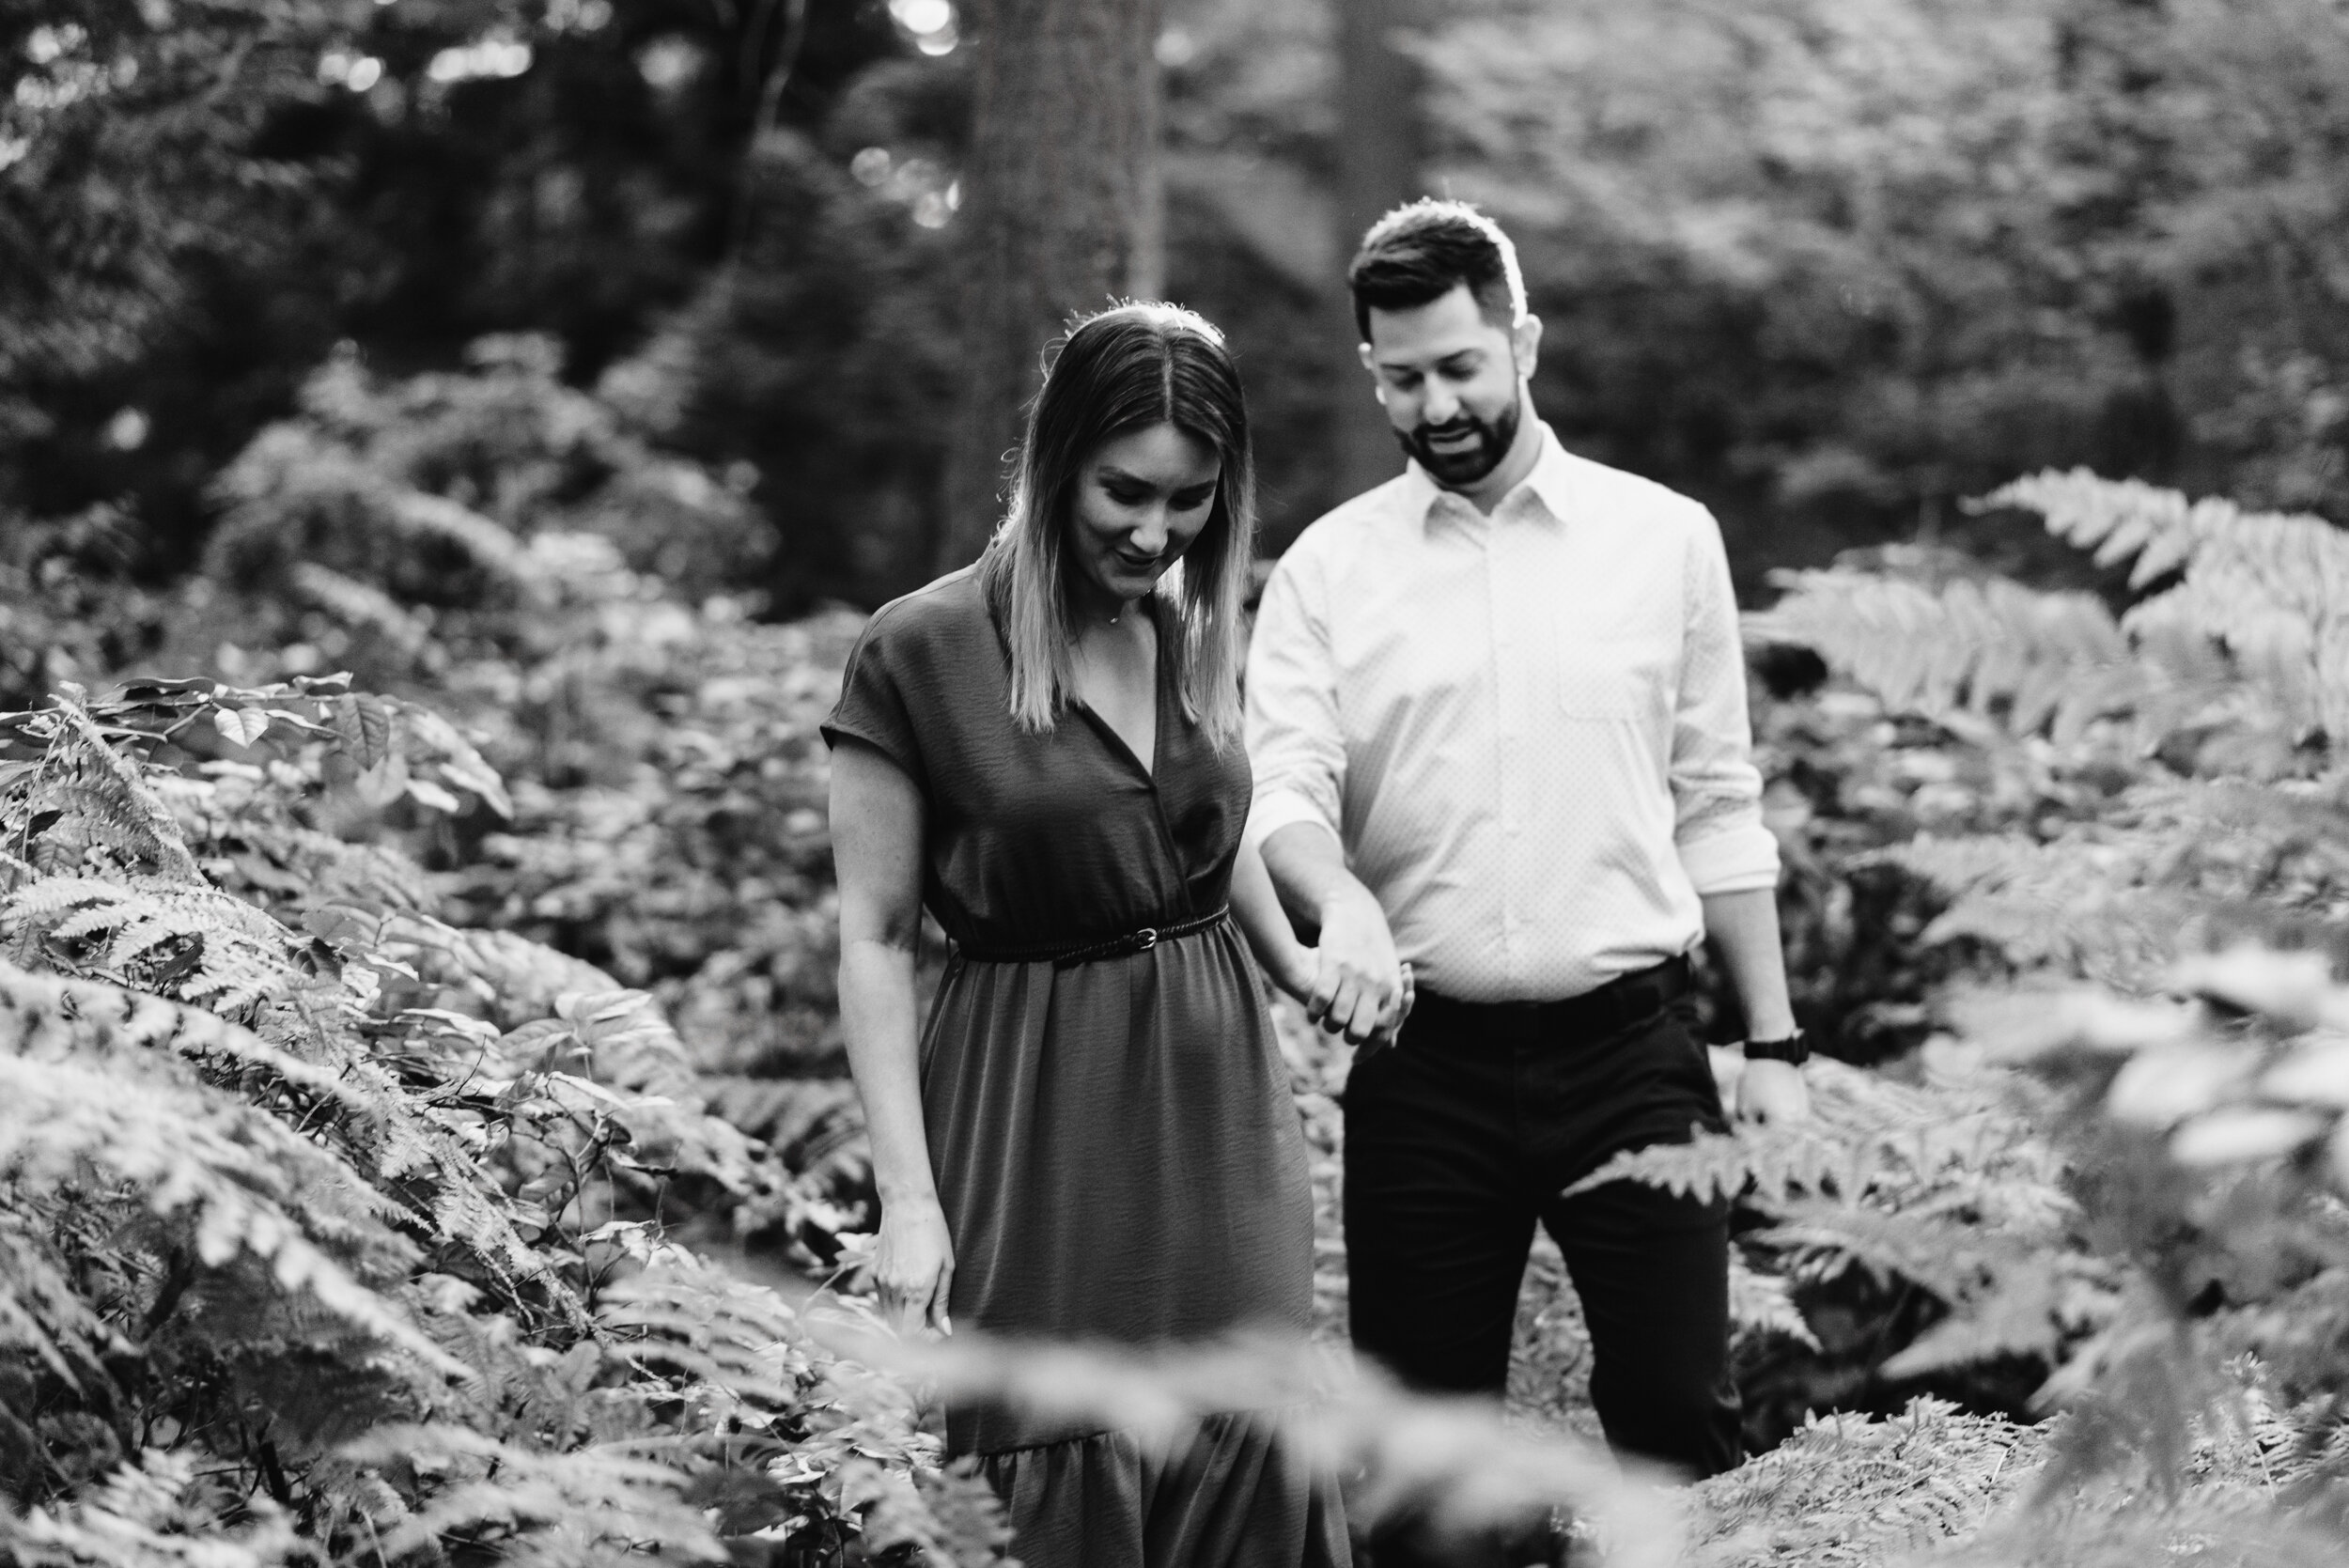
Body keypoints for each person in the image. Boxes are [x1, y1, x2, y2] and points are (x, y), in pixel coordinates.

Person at [1246, 201, 1812, 1560]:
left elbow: (1720, 806)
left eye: (1459, 367)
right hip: (1422, 1069)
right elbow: (1282, 796)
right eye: (1400, 377)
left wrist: (1775, 1038)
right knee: (1431, 1481)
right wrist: (1348, 900)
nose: (1433, 404)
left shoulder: (1665, 540)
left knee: (1680, 1429)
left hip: (1637, 1052)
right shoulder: (1329, 569)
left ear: (1524, 342)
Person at [824, 303, 1379, 1567]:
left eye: (1190, 502)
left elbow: (1194, 826)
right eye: (1125, 492)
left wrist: (1292, 961)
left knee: (1246, 1411)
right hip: (1031, 1099)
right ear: (1058, 455)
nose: (1153, 531)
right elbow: (874, 936)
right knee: (1043, 1427)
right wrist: (908, 1200)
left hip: (1219, 1101)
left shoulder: (1185, 626)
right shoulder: (920, 649)